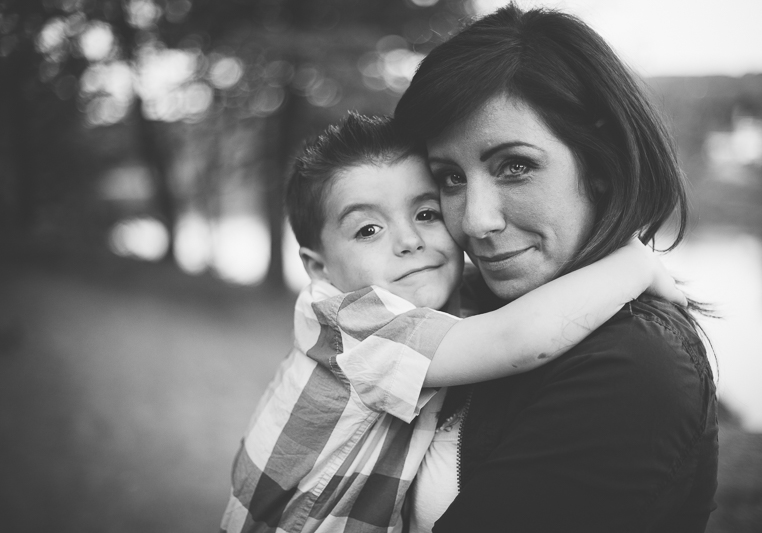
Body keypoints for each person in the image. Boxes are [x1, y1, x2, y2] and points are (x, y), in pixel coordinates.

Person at [219, 113, 684, 533]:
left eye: (426, 213)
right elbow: (516, 339)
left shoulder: (412, 302)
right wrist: (633, 265)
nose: (408, 241)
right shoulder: (355, 322)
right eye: (368, 230)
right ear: (319, 268)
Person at [393, 5, 719, 533]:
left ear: (600, 163)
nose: (476, 221)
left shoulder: (633, 367)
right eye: (450, 178)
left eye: (515, 166)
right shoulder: (472, 310)